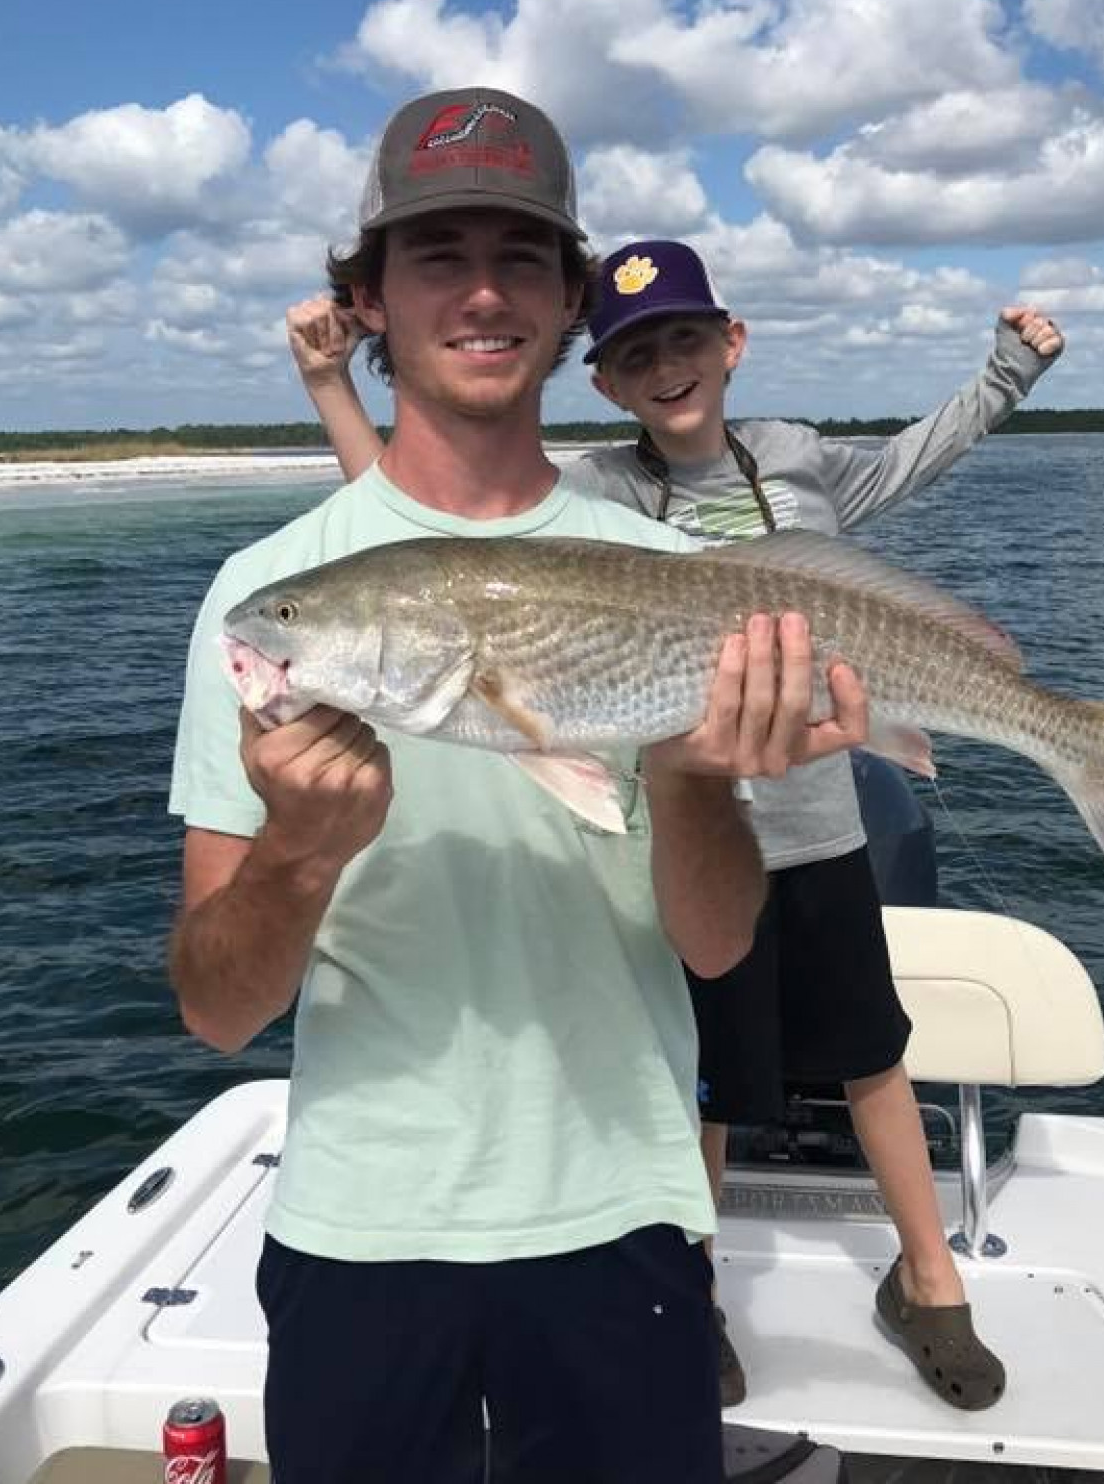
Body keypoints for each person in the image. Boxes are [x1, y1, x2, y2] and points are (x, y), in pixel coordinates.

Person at [168, 89, 867, 1484]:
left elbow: (720, 946)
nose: (481, 291)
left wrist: (690, 782)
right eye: (437, 254)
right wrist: (302, 856)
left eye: (521, 256)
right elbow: (217, 1011)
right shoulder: (262, 599)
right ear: (365, 299)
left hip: (625, 1207)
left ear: (563, 303)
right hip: (363, 1225)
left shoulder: (673, 579)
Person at [286, 238, 1063, 1415]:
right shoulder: (596, 494)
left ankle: (931, 1275)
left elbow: (919, 456)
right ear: (604, 379)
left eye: (687, 339)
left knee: (872, 1057)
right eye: (638, 350)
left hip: (823, 825)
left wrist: (1007, 372)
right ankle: (691, 1293)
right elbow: (419, 542)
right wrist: (335, 389)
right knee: (704, 1083)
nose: (668, 364)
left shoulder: (801, 460)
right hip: (692, 844)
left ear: (732, 342)